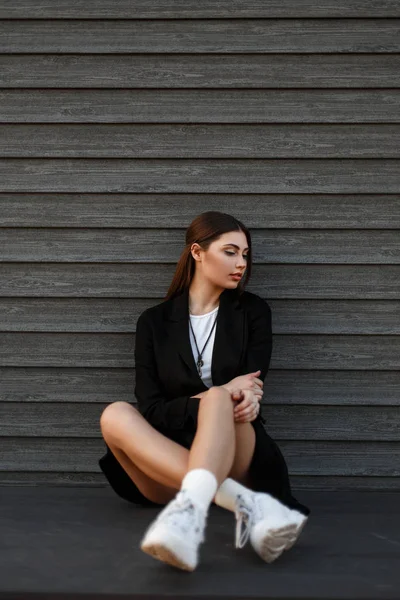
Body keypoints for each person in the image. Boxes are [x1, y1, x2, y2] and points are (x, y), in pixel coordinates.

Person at [99, 210, 310, 572]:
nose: (241, 263)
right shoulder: (153, 322)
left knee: (219, 398)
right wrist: (223, 391)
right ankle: (247, 504)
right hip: (166, 463)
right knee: (115, 413)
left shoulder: (253, 312)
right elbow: (149, 411)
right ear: (197, 252)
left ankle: (189, 515)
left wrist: (227, 395)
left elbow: (248, 391)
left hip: (236, 451)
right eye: (230, 251)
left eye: (245, 254)